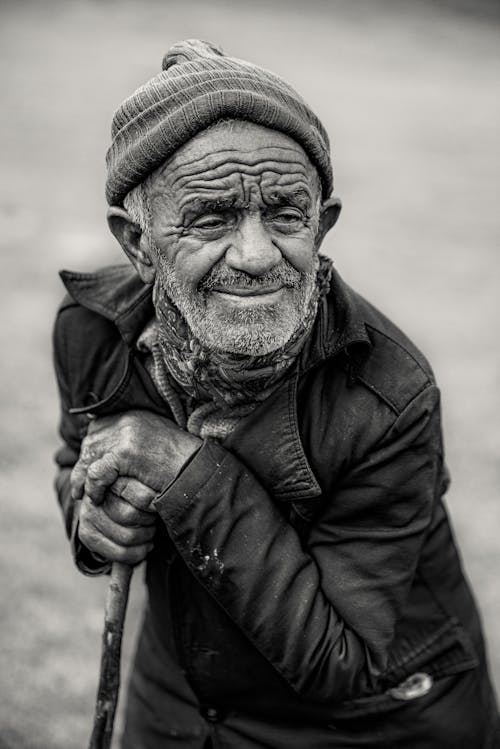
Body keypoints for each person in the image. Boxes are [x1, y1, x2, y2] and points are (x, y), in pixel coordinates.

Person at [53, 39, 499, 749]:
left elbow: (341, 658)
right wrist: (92, 518)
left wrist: (183, 471)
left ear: (322, 225)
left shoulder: (388, 396)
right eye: (211, 217)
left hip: (370, 723)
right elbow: (80, 462)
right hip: (179, 700)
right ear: (138, 243)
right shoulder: (96, 331)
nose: (258, 255)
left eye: (287, 214)